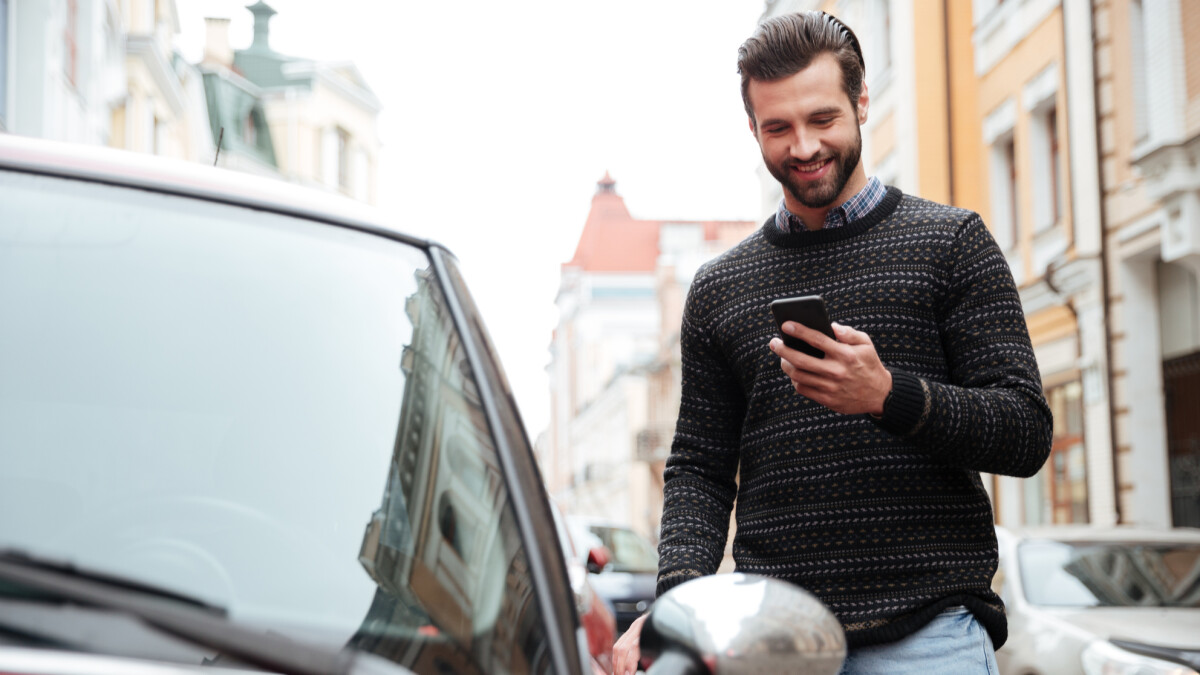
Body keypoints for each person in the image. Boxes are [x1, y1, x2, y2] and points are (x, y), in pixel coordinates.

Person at [613, 10, 1052, 675]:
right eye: (778, 127)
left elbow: (1025, 430)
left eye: (823, 120)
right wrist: (675, 606)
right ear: (752, 128)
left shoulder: (952, 244)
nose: (804, 146)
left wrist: (886, 395)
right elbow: (700, 468)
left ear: (862, 101)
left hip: (927, 634)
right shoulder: (719, 288)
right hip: (766, 641)